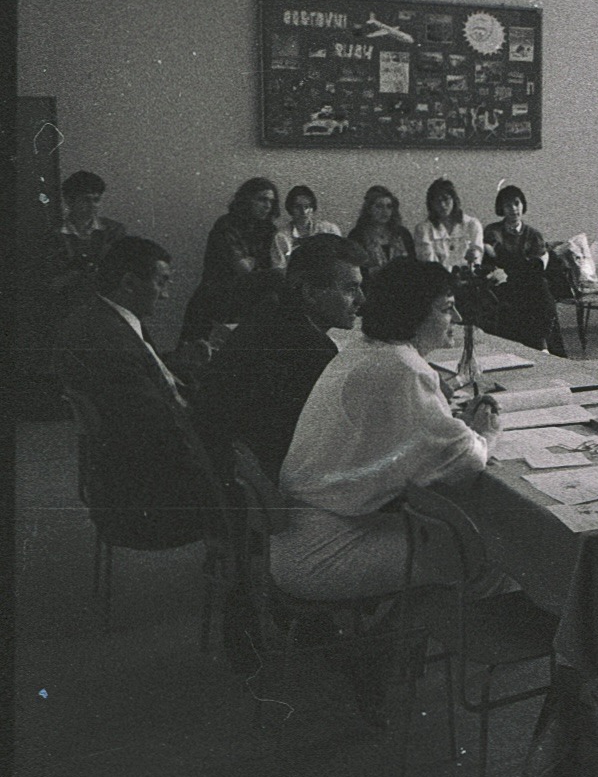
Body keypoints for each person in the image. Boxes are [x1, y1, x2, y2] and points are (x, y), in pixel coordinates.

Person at [278, 259, 511, 602]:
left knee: (460, 533)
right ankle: (417, 637)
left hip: (301, 531)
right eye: (447, 309)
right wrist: (485, 434)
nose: (458, 319)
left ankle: (405, 634)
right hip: (327, 550)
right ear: (415, 313)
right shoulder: (402, 367)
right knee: (497, 551)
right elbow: (465, 460)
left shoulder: (367, 347)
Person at [56, 235, 221, 550]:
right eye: (162, 282)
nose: (166, 295)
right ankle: (237, 577)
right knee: (259, 479)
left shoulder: (102, 318)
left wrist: (176, 364)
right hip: (145, 499)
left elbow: (141, 378)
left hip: (123, 474)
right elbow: (160, 430)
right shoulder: (109, 343)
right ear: (129, 284)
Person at [196, 233, 368, 482]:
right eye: (351, 288)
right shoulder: (310, 349)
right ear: (310, 292)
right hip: (276, 487)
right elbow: (330, 446)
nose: (362, 299)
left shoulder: (270, 316)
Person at [179, 177, 284, 342]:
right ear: (246, 199)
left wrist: (253, 260)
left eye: (271, 201)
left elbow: (274, 265)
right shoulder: (226, 225)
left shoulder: (269, 229)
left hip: (248, 302)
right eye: (262, 199)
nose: (267, 206)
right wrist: (258, 263)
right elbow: (244, 270)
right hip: (216, 301)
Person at [481, 184, 564, 355]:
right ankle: (541, 344)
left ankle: (543, 345)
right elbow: (491, 257)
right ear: (501, 208)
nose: (513, 209)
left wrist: (517, 265)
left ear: (522, 205)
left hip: (528, 282)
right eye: (508, 205)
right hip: (503, 283)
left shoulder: (533, 234)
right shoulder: (493, 231)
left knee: (538, 286)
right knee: (535, 289)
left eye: (516, 203)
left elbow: (537, 265)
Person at [48, 170, 126, 302]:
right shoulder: (53, 234)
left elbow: (118, 273)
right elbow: (51, 282)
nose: (92, 206)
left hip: (105, 304)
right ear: (69, 201)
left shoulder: (114, 231)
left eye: (96, 200)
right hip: (65, 305)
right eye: (85, 200)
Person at [413, 177, 485, 271]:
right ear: (431, 204)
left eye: (446, 199)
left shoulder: (472, 225)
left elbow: (476, 260)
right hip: (439, 282)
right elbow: (429, 264)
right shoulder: (423, 229)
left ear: (454, 200)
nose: (442, 205)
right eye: (437, 201)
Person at [270, 184, 342, 270]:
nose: (303, 211)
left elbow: (341, 260)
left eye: (307, 207)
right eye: (298, 207)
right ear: (290, 208)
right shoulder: (281, 237)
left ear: (312, 208)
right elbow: (279, 268)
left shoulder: (329, 230)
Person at [347, 185, 416, 273]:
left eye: (389, 206)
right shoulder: (357, 235)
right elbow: (354, 269)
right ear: (369, 209)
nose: (385, 211)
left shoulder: (402, 233)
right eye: (379, 206)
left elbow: (413, 263)